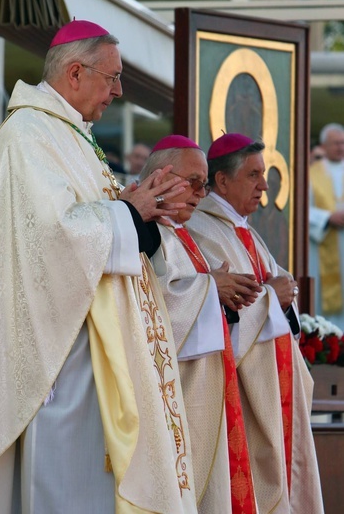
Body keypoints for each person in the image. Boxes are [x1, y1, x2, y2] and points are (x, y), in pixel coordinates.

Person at [0, 20, 198, 514]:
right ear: (75, 73)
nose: (119, 91)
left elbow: (84, 222)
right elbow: (53, 237)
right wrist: (129, 212)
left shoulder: (72, 136)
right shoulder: (29, 135)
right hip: (61, 356)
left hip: (90, 347)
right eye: (113, 77)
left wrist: (131, 208)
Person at [187, 133, 324, 513]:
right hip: (244, 390)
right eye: (253, 175)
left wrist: (282, 294)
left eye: (263, 174)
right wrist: (272, 296)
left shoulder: (243, 229)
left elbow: (273, 291)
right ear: (223, 181)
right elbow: (223, 308)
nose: (265, 184)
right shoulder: (203, 230)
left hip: (271, 381)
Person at [141, 135, 262, 513]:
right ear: (161, 175)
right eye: (192, 182)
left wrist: (217, 290)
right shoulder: (148, 232)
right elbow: (148, 305)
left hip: (209, 381)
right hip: (178, 392)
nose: (200, 193)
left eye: (203, 184)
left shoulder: (178, 232)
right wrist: (211, 288)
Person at [309, 123, 344, 329]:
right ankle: (329, 341)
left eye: (343, 143)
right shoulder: (311, 173)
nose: (340, 147)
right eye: (335, 143)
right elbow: (302, 209)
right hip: (324, 243)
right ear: (324, 145)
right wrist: (327, 217)